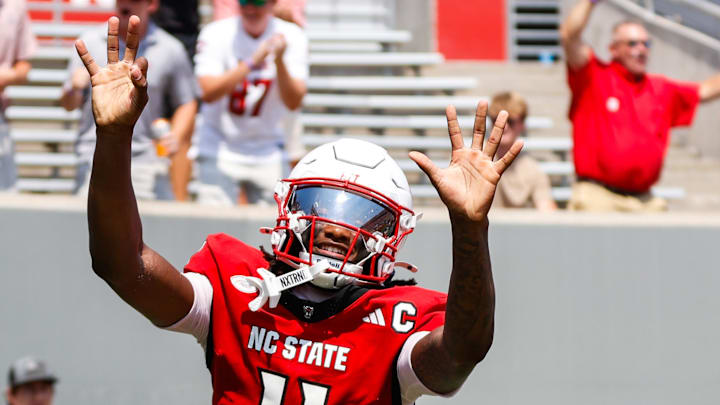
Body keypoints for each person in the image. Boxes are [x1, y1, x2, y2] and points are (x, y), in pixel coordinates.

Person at [76, 14, 524, 404]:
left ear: (390, 235)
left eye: (359, 216)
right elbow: (121, 265)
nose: (334, 226)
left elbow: (463, 350)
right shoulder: (238, 285)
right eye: (320, 204)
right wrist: (114, 137)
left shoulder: (397, 317)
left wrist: (470, 227)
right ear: (289, 207)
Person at [560, 0, 720, 211]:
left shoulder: (660, 88)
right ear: (614, 48)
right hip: (598, 196)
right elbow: (569, 37)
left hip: (644, 200)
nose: (641, 50)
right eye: (633, 43)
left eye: (646, 44)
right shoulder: (593, 76)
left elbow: (705, 91)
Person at [60, 0, 199, 201]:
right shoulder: (89, 42)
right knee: (90, 230)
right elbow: (67, 105)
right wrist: (74, 88)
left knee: (154, 230)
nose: (126, 3)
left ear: (151, 4)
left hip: (146, 162)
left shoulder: (170, 48)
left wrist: (175, 135)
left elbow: (187, 101)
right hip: (95, 157)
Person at [193, 0, 308, 205]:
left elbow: (294, 101)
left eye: (258, 1)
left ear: (272, 3)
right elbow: (208, 92)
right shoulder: (215, 33)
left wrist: (279, 61)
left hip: (268, 147)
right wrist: (251, 62)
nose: (250, 8)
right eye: (244, 1)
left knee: (273, 229)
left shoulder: (292, 35)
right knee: (213, 227)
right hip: (219, 144)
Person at [489, 92, 557, 211]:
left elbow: (547, 211)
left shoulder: (532, 169)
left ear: (522, 124)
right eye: (497, 120)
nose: (503, 126)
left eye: (510, 121)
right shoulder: (475, 160)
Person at [0, 0, 37, 192]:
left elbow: (24, 66)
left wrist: (8, 76)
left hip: (1, 122)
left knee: (6, 201)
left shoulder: (15, 6)